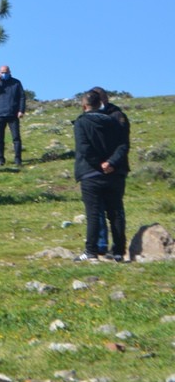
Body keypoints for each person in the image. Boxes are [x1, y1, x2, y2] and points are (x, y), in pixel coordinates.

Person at [72, 90, 127, 261]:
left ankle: (91, 251)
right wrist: (111, 163)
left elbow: (84, 147)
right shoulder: (114, 121)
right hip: (114, 173)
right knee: (116, 212)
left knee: (94, 213)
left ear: (84, 106)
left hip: (91, 173)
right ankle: (118, 251)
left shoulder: (82, 123)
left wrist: (99, 165)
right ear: (101, 104)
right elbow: (123, 145)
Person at [90, 87, 131, 259]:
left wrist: (111, 163)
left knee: (114, 211)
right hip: (100, 169)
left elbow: (123, 144)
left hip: (115, 170)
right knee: (98, 210)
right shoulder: (94, 117)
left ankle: (117, 249)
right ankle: (102, 246)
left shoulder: (117, 116)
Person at [0, 64, 26, 166]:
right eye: (2, 72)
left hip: (13, 115)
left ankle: (18, 160)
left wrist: (21, 110)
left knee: (16, 138)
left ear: (10, 72)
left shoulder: (16, 83)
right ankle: (1, 160)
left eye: (6, 72)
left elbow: (22, 97)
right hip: (0, 115)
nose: (4, 74)